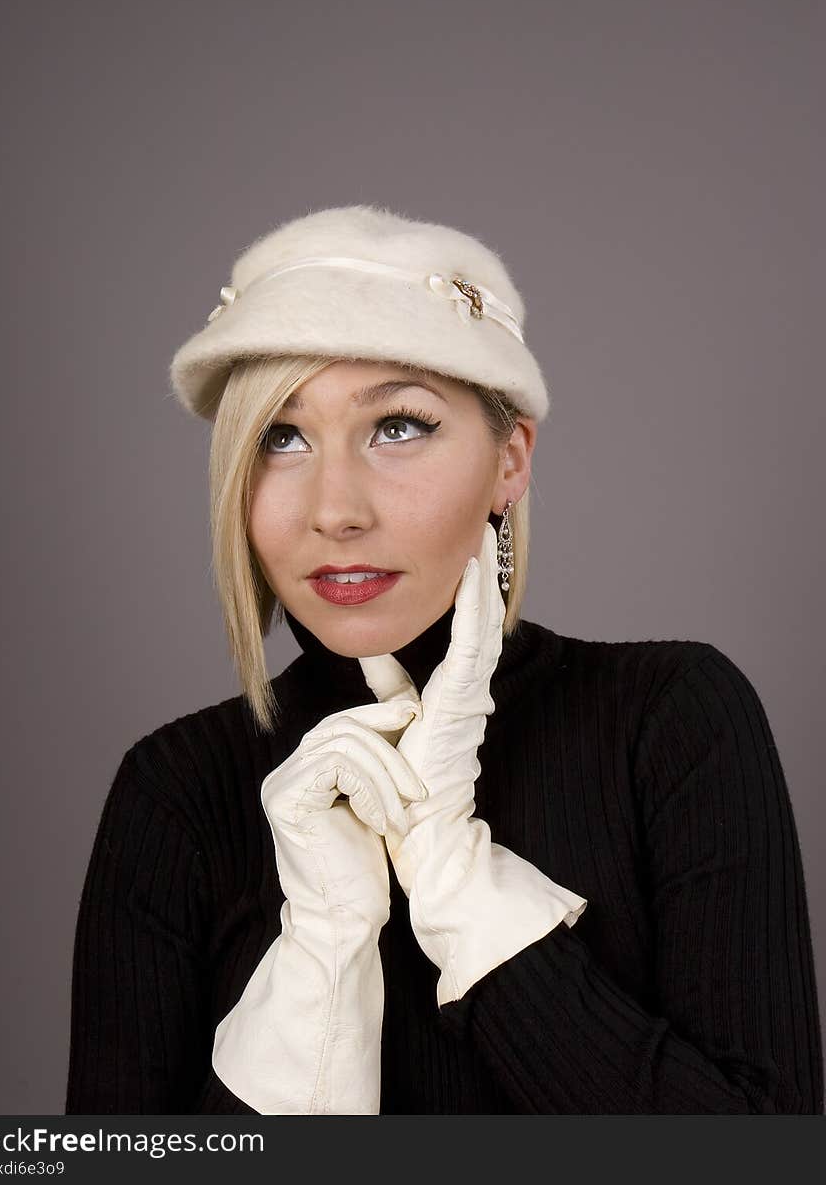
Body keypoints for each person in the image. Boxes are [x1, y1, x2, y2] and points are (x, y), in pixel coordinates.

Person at [65, 204, 823, 1114]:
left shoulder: (671, 718)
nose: (334, 509)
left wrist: (454, 877)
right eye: (282, 437)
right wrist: (326, 945)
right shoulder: (176, 790)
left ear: (510, 462)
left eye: (398, 427)